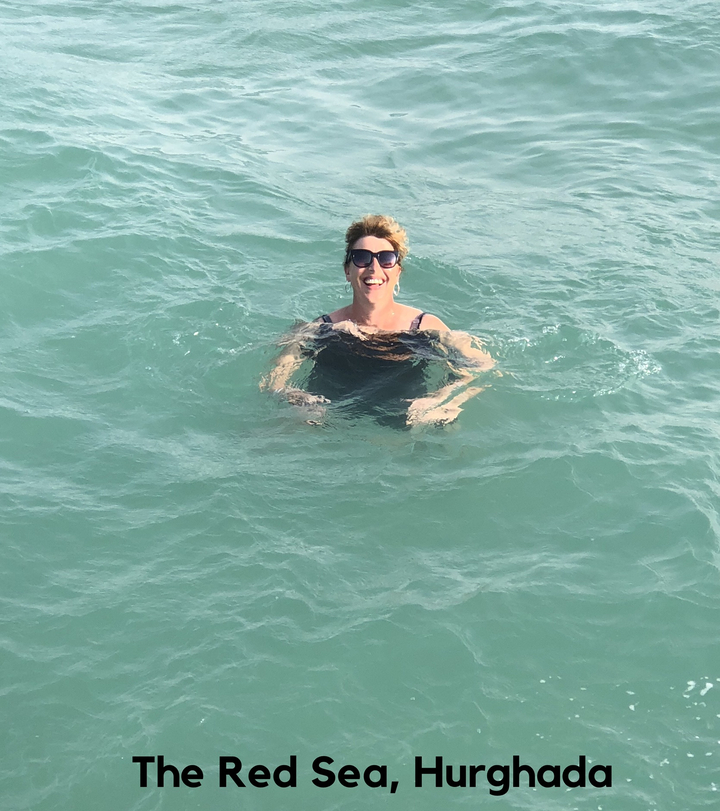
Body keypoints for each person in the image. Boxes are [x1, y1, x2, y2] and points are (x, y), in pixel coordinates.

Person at [261, 215, 495, 426]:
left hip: (407, 425)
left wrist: (443, 400)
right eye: (362, 258)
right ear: (347, 270)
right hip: (331, 424)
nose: (374, 268)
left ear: (398, 271)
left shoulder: (423, 326)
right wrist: (296, 398)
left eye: (386, 259)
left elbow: (483, 367)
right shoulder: (321, 329)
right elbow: (273, 380)